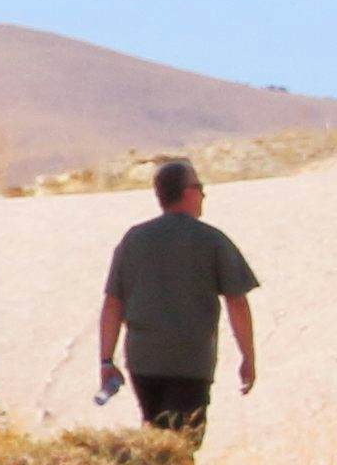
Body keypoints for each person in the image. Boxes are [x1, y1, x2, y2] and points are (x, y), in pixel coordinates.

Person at [95, 156, 260, 435]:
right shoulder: (212, 240)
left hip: (143, 361)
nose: (204, 194)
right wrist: (248, 358)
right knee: (184, 441)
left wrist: (106, 360)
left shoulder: (134, 239)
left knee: (155, 435)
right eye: (200, 186)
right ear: (188, 193)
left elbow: (113, 304)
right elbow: (237, 302)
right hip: (190, 362)